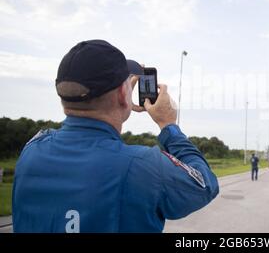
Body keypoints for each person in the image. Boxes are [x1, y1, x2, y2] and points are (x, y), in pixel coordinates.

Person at [12, 40, 219, 233]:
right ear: (122, 94)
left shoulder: (33, 148)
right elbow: (204, 184)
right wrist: (168, 125)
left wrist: (118, 107)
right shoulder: (143, 166)